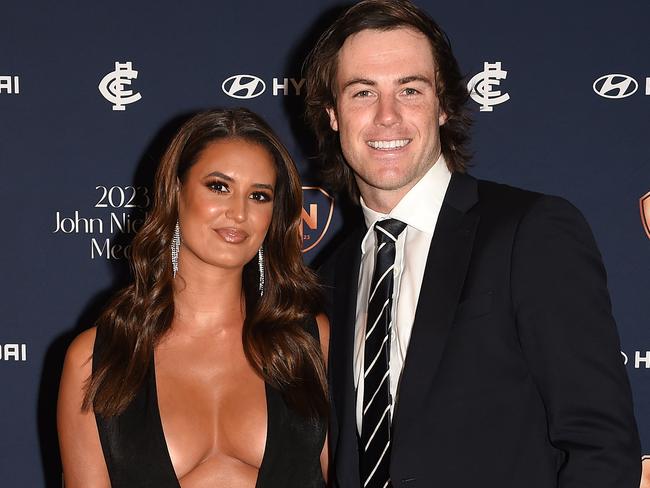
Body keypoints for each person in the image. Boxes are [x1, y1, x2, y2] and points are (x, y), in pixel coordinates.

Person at [304, 1, 641, 487]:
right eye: (362, 93)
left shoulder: (531, 231)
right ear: (333, 114)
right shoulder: (332, 277)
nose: (387, 116)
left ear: (443, 105)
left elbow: (600, 443)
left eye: (410, 89)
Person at [57, 108, 329, 488]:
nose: (239, 212)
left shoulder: (308, 341)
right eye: (219, 187)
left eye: (259, 195)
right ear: (176, 191)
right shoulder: (96, 360)